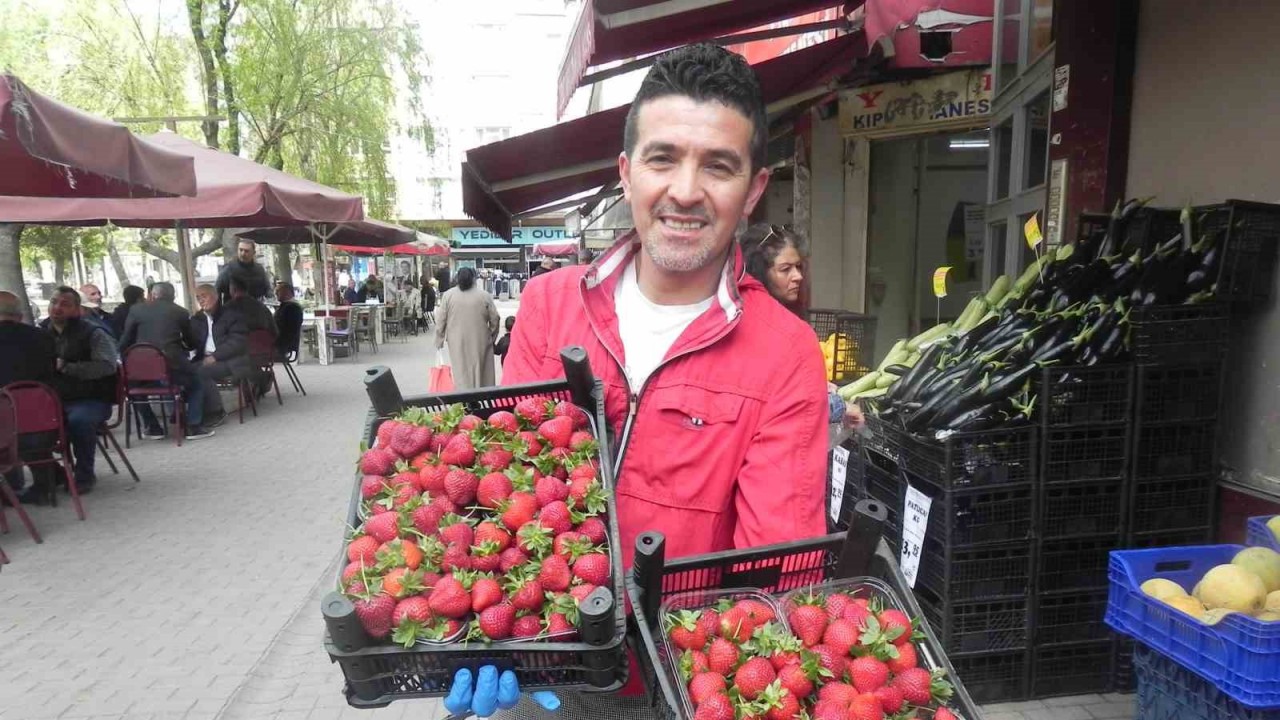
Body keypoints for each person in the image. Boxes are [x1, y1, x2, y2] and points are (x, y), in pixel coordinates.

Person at [459, 44, 828, 718]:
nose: (685, 190)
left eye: (718, 166)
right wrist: (472, 626)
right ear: (627, 174)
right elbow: (498, 486)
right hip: (541, 666)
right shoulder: (548, 305)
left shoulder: (787, 353)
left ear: (753, 191)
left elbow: (780, 570)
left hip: (680, 686)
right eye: (663, 158)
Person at [739, 224, 854, 427]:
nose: (798, 276)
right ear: (760, 273)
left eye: (798, 267)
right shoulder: (762, 326)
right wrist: (839, 407)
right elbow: (781, 403)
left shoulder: (779, 316)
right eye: (785, 269)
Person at [39, 287, 120, 495]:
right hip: (51, 400)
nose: (57, 307)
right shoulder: (39, 333)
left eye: (65, 304)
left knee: (79, 420)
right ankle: (51, 474)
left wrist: (67, 367)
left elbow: (107, 366)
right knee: (21, 422)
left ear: (77, 309)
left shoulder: (93, 333)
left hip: (90, 398)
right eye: (54, 301)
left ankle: (84, 475)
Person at [117, 282, 214, 440]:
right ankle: (193, 427)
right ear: (173, 296)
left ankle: (153, 427)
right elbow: (190, 342)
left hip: (140, 370)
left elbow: (126, 340)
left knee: (133, 390)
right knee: (196, 382)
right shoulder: (180, 312)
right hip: (171, 368)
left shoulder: (136, 310)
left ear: (153, 295)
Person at [0, 291, 58, 497]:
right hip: (47, 422)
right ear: (20, 314)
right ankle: (47, 480)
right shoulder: (43, 337)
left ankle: (10, 488)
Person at [434, 267, 501, 390]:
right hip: (480, 340)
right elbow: (495, 318)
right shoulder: (484, 295)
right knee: (482, 370)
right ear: (474, 278)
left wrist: (439, 340)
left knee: (461, 370)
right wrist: (491, 336)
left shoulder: (448, 295)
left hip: (456, 340)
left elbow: (440, 319)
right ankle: (482, 397)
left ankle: (465, 398)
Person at [190, 283, 249, 422]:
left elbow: (237, 342)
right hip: (204, 359)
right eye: (198, 298)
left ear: (216, 296)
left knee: (201, 373)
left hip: (231, 361)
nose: (201, 300)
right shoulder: (197, 319)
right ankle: (190, 414)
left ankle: (217, 412)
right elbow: (191, 341)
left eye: (204, 296)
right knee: (183, 372)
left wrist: (215, 356)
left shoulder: (232, 315)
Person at [273, 282, 304, 359]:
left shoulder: (292, 308)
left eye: (278, 291)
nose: (276, 293)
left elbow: (283, 328)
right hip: (282, 343)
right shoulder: (289, 306)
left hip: (282, 345)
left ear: (287, 292)